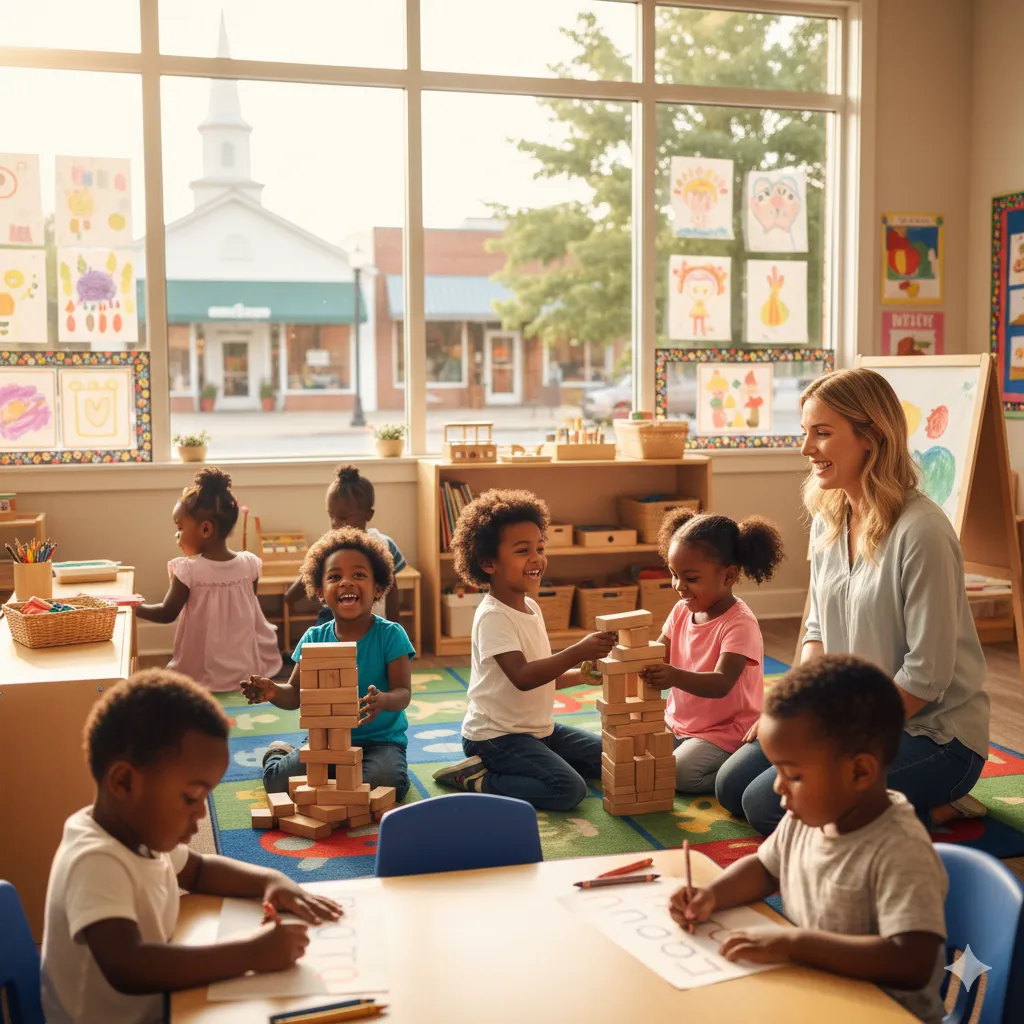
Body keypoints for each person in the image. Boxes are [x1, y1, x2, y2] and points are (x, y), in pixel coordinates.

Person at [716, 367, 990, 835]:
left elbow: (926, 678)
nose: (806, 450)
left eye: (822, 434)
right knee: (730, 785)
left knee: (766, 806)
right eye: (805, 433)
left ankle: (939, 806)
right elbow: (817, 631)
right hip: (845, 717)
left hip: (934, 736)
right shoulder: (829, 518)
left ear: (872, 436)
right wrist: (795, 712)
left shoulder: (922, 531)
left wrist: (836, 738)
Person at [40, 669, 342, 1024]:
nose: (201, 812)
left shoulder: (141, 830)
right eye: (191, 797)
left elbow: (199, 870)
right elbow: (128, 966)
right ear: (124, 782)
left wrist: (271, 881)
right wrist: (250, 954)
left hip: (163, 1006)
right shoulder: (94, 859)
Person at [672, 655, 948, 1024]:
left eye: (794, 775)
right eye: (776, 769)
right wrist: (713, 895)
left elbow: (911, 960)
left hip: (882, 1013)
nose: (777, 786)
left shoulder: (900, 850)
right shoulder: (808, 818)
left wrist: (796, 944)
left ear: (860, 771)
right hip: (820, 994)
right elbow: (766, 868)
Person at [432, 489, 616, 810]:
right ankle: (478, 778)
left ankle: (533, 764)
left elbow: (543, 674)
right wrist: (578, 651)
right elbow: (523, 677)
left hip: (538, 730)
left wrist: (581, 675)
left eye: (540, 548)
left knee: (611, 760)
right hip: (495, 739)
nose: (536, 558)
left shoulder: (531, 607)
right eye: (522, 551)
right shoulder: (493, 616)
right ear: (489, 562)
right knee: (568, 789)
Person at [245, 527, 414, 800]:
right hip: (324, 741)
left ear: (379, 587)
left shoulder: (391, 635)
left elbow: (403, 693)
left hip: (380, 742)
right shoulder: (314, 638)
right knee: (278, 785)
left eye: (358, 575)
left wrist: (383, 700)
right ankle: (280, 753)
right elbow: (296, 695)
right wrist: (273, 691)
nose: (346, 582)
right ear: (321, 592)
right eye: (335, 577)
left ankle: (342, 773)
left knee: (386, 783)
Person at [639, 508, 784, 794]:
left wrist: (673, 676)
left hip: (724, 732)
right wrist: (624, 654)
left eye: (691, 578)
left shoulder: (739, 623)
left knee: (678, 774)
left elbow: (721, 683)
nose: (679, 587)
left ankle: (737, 765)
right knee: (638, 750)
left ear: (729, 575)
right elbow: (658, 653)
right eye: (673, 575)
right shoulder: (682, 610)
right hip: (678, 723)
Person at [137, 468, 282, 691]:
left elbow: (167, 613)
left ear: (205, 529)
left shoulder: (188, 571)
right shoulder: (249, 564)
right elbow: (249, 610)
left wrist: (135, 607)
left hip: (202, 674)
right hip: (244, 669)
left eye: (180, 528)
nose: (177, 535)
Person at [285, 465, 406, 626]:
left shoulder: (384, 545)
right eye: (331, 516)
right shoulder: (330, 546)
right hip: (335, 622)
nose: (335, 523)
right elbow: (305, 581)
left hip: (373, 623)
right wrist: (290, 597)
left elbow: (392, 591)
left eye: (342, 517)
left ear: (368, 515)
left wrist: (395, 628)